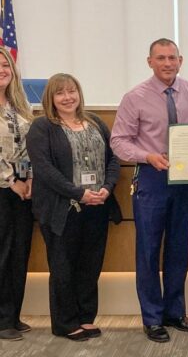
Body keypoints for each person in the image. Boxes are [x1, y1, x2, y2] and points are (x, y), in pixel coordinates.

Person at [110, 38, 188, 342]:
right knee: (149, 250)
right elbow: (119, 141)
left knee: (179, 247)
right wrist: (146, 156)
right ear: (149, 61)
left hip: (186, 180)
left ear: (181, 60)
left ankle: (175, 312)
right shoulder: (134, 97)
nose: (167, 63)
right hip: (151, 178)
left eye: (172, 58)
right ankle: (152, 317)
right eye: (161, 58)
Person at [27, 73, 122, 341]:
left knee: (90, 264)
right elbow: (44, 170)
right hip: (62, 207)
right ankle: (65, 322)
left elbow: (113, 159)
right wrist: (78, 193)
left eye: (72, 91)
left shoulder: (94, 122)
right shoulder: (42, 127)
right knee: (63, 265)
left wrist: (108, 187)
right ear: (51, 98)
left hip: (97, 205)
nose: (67, 97)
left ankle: (85, 317)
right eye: (60, 93)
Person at [0, 48, 34, 341]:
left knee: (19, 253)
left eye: (5, 65)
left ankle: (13, 315)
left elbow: (25, 149)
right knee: (2, 254)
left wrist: (26, 179)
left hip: (21, 191)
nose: (2, 69)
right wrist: (10, 179)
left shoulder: (18, 105)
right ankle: (1, 319)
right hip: (1, 189)